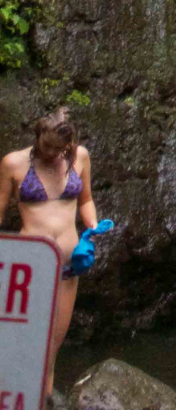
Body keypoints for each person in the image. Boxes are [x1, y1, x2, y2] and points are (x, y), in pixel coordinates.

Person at [0, 107, 98, 396]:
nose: (55, 155)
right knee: (24, 343)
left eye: (61, 150)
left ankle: (40, 399)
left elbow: (86, 201)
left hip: (68, 265)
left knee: (51, 348)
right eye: (49, 149)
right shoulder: (13, 163)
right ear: (39, 138)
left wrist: (92, 228)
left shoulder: (80, 156)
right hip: (28, 267)